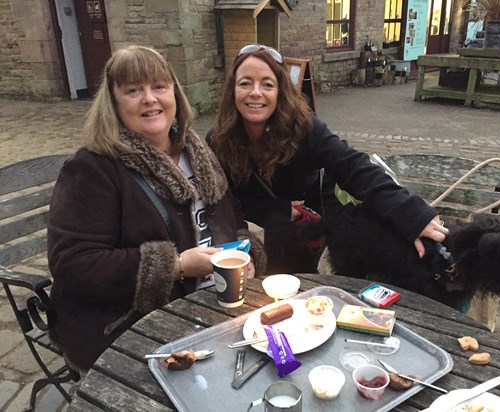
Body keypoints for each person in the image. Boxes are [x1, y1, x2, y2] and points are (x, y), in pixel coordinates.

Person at [47, 45, 265, 373]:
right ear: (114, 103)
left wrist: (245, 254)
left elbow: (231, 213)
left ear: (174, 95)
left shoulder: (198, 152)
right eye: (133, 90)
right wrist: (176, 266)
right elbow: (73, 265)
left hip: (214, 304)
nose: (149, 98)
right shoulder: (92, 169)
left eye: (159, 87)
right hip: (131, 325)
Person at [208, 44, 448, 275]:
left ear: (280, 91)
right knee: (274, 274)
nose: (256, 92)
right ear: (233, 90)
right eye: (245, 83)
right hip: (272, 213)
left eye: (267, 84)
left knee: (301, 274)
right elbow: (226, 201)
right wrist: (278, 211)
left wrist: (413, 215)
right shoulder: (218, 140)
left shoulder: (304, 127)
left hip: (315, 205)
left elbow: (352, 165)